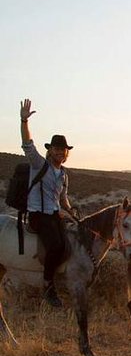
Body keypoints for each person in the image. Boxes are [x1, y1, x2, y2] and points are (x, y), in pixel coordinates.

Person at [20, 98, 75, 307]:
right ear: (50, 150)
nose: (61, 152)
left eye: (64, 149)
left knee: (69, 244)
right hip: (38, 215)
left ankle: (58, 278)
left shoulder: (63, 174)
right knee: (55, 246)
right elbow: (27, 145)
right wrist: (24, 122)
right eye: (57, 148)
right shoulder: (39, 164)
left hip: (54, 214)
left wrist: (71, 211)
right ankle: (47, 286)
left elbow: (63, 199)